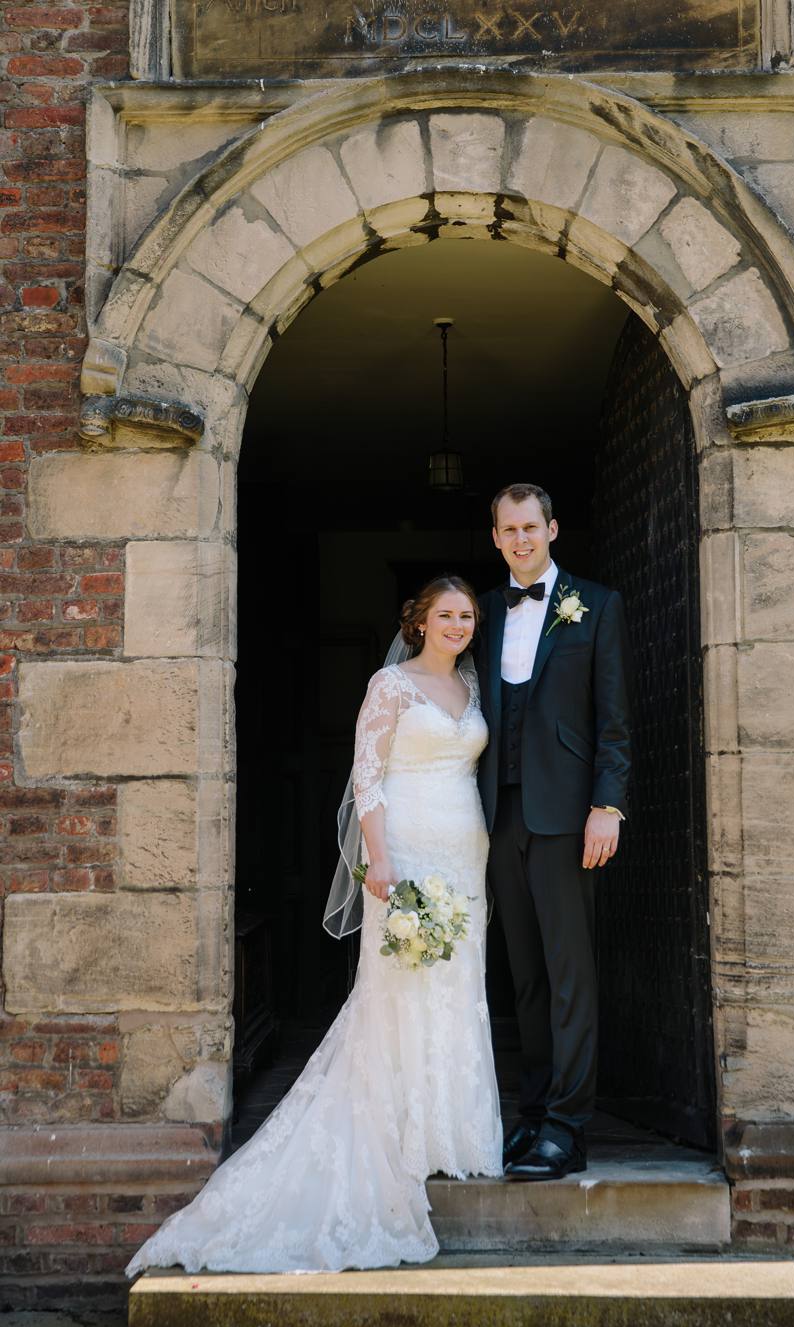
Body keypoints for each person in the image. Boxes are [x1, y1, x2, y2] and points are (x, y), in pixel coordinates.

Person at [125, 576, 502, 1277]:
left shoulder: (475, 690)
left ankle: (456, 1135)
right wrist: (381, 858)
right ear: (418, 622)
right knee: (398, 990)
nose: (458, 624)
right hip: (408, 851)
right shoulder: (390, 685)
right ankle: (401, 1139)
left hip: (464, 851)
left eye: (467, 615)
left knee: (458, 986)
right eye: (445, 614)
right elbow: (368, 776)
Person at [475, 483, 631, 1182]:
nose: (520, 539)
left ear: (553, 528)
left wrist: (609, 805)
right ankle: (533, 1115)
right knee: (526, 979)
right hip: (496, 815)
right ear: (496, 537)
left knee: (570, 977)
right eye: (508, 529)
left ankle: (568, 1129)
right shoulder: (477, 613)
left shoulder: (596, 606)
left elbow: (614, 721)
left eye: (530, 526)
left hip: (568, 818)